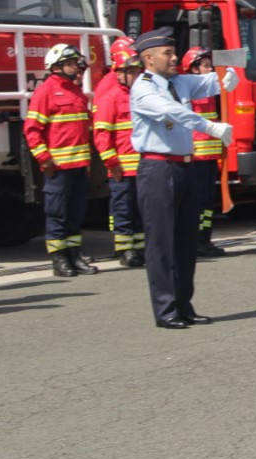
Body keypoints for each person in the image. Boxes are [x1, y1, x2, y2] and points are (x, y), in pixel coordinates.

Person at [131, 27, 238, 329]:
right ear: (149, 58)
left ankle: (183, 304)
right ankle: (166, 310)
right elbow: (174, 112)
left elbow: (207, 83)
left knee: (185, 241)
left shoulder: (178, 81)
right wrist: (211, 127)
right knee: (162, 243)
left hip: (184, 167)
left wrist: (225, 79)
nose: (175, 57)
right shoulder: (145, 87)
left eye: (174, 51)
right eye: (168, 53)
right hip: (158, 169)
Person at [24, 43, 100, 277]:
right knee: (58, 213)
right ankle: (59, 260)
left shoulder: (76, 92)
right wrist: (44, 159)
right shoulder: (46, 91)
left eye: (76, 63)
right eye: (69, 63)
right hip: (57, 168)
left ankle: (74, 255)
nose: (75, 67)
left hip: (79, 167)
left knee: (76, 214)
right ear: (55, 66)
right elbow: (32, 129)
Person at [93, 38, 145, 268]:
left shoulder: (140, 95)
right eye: (131, 71)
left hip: (142, 166)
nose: (135, 76)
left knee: (140, 210)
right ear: (119, 72)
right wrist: (111, 162)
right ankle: (125, 250)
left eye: (137, 71)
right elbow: (102, 135)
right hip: (122, 168)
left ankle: (140, 248)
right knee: (123, 209)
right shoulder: (110, 97)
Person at [181, 47, 226, 257]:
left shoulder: (208, 92)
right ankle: (194, 240)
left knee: (208, 202)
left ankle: (205, 239)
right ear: (194, 68)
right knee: (196, 202)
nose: (210, 69)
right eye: (206, 65)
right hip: (196, 157)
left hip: (209, 158)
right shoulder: (189, 91)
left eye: (210, 65)